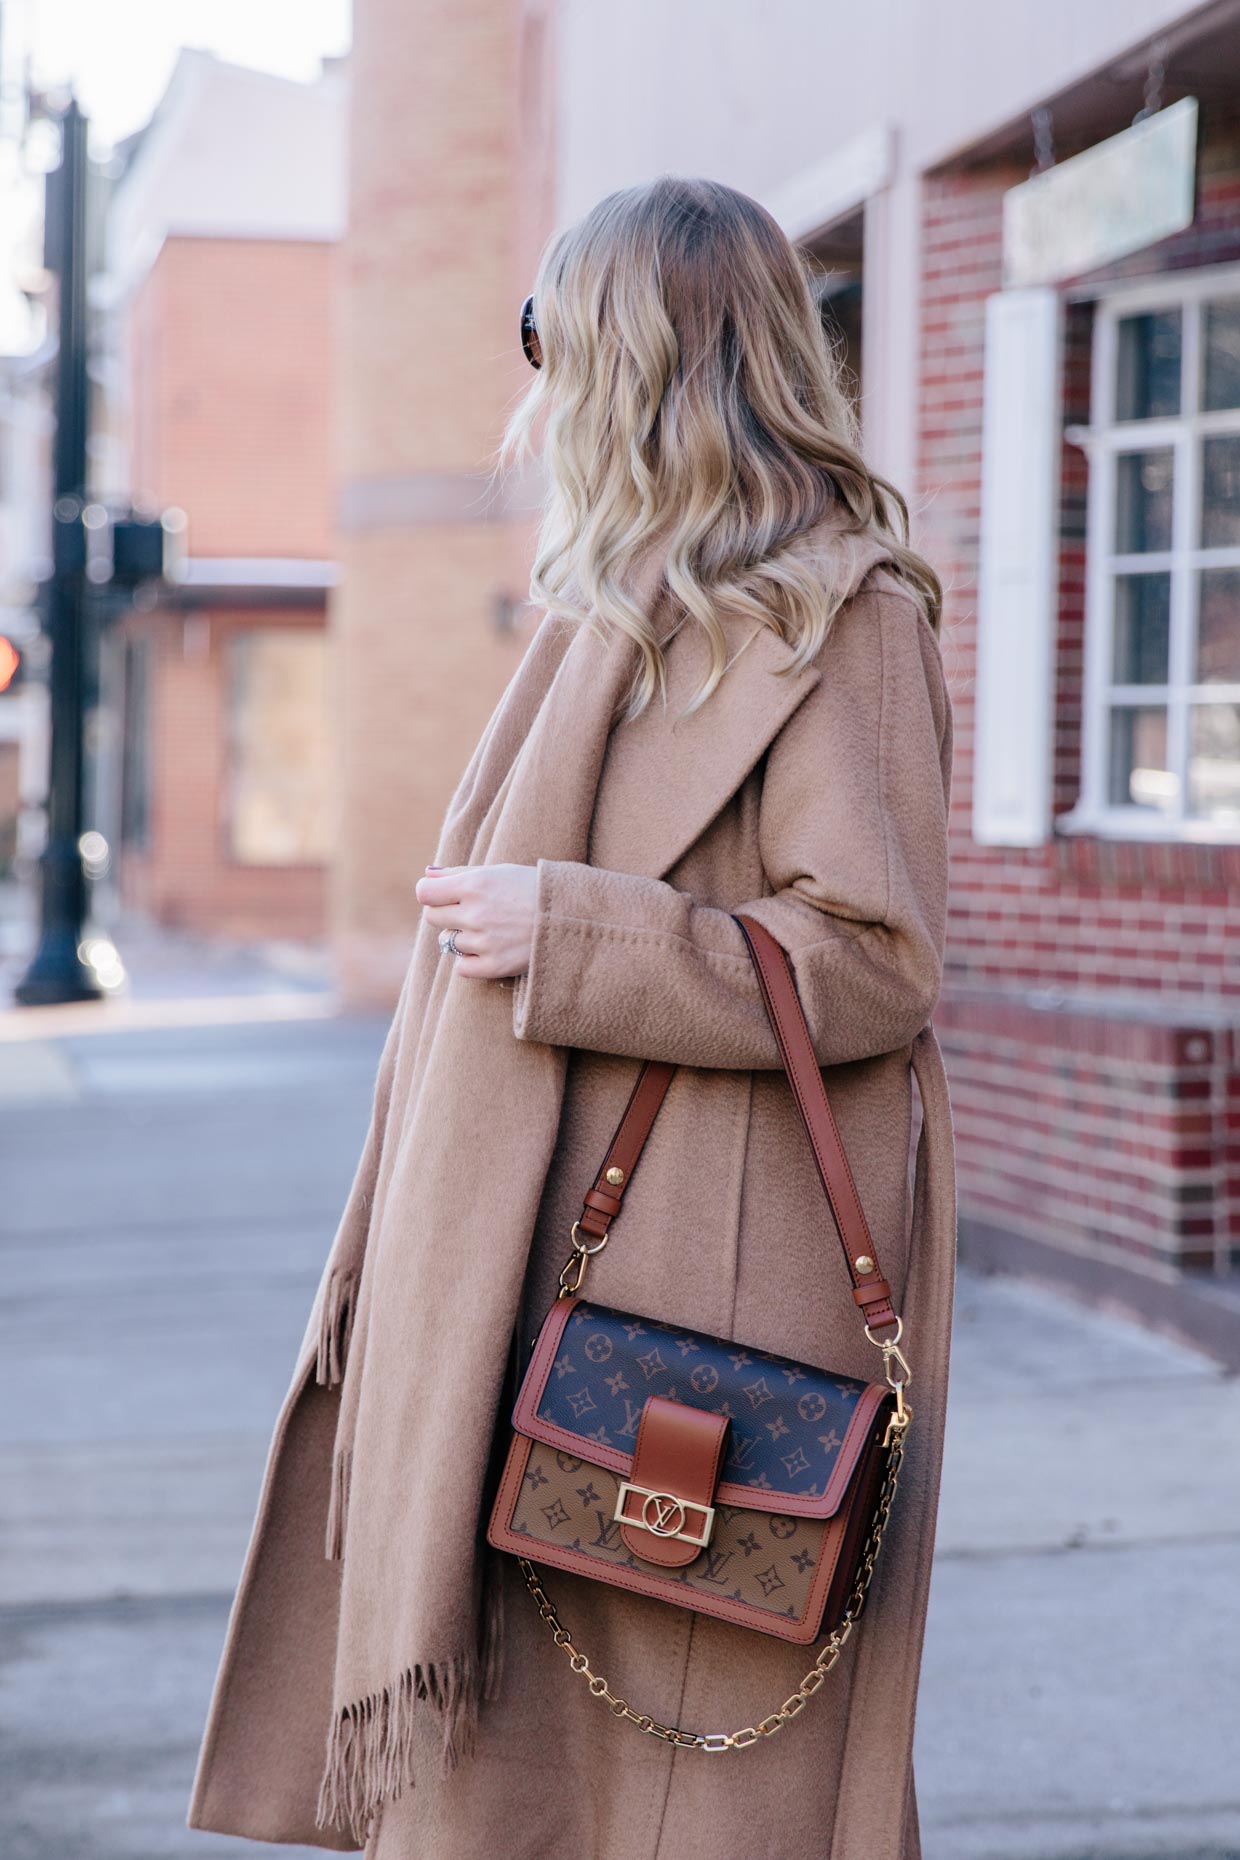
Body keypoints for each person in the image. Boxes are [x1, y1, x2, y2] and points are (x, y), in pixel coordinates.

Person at [189, 174, 955, 1860]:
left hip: (692, 1291)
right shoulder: (600, 612)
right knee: (517, 1777)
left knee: (677, 1777)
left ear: (636, 356)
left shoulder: (845, 613)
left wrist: (582, 931)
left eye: (547, 334)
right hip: (519, 1266)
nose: (529, 380)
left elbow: (879, 961)